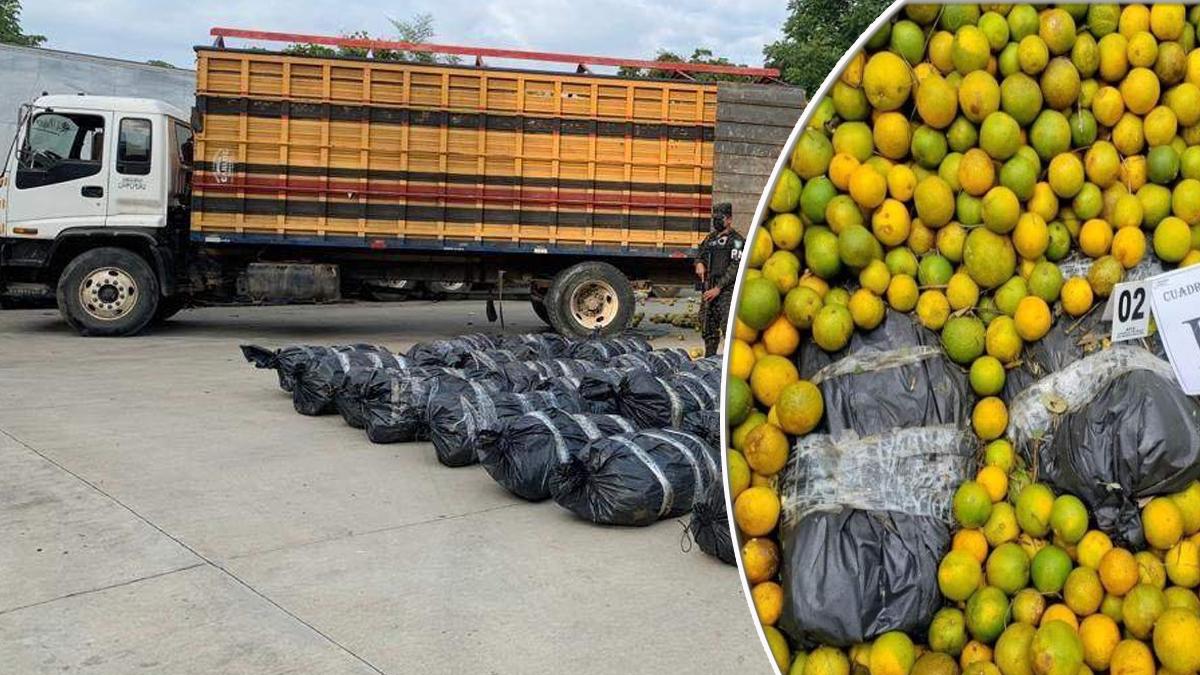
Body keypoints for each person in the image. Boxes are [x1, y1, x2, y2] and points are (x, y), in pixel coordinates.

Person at [696, 202, 745, 356]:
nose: (716, 221)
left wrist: (719, 288)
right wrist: (699, 263)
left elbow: (736, 266)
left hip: (726, 291)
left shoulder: (736, 241)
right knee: (707, 325)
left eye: (720, 218)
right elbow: (700, 253)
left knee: (728, 328)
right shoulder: (710, 238)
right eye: (714, 218)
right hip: (709, 286)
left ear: (729, 219)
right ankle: (709, 358)